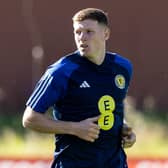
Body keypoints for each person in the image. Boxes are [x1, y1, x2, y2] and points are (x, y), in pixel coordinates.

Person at [22, 8, 136, 168]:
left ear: (106, 34)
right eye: (78, 32)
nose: (82, 38)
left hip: (115, 163)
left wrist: (123, 128)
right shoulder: (62, 71)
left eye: (89, 32)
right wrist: (75, 128)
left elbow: (113, 108)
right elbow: (29, 119)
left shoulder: (122, 67)